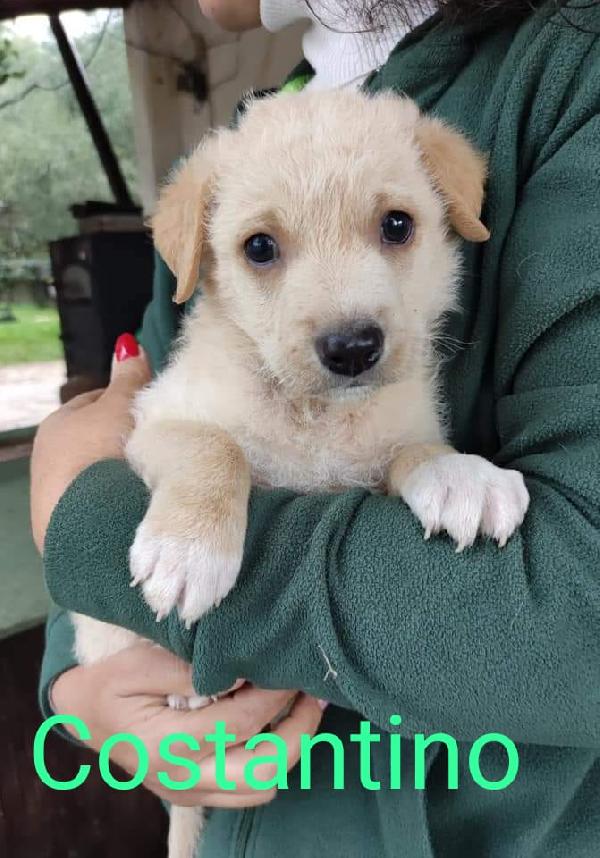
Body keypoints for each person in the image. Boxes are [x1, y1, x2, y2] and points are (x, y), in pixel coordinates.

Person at [31, 1, 600, 855]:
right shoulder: (236, 149)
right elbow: (145, 435)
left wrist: (429, 465)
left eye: (395, 227)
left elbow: (93, 507)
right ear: (210, 260)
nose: (346, 316)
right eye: (263, 250)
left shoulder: (562, 76)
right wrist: (74, 689)